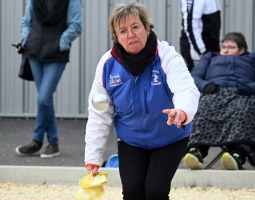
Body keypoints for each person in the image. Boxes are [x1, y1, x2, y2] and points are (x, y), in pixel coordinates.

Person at [84, 2, 200, 200]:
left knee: (155, 191)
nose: (130, 34)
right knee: (132, 192)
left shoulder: (166, 55)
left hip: (170, 137)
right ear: (116, 37)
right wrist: (93, 157)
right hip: (131, 140)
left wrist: (181, 111)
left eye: (135, 27)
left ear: (147, 28)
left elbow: (186, 88)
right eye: (123, 31)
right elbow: (99, 113)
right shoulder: (106, 66)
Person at [183, 32, 255, 170]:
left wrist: (249, 88)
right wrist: (206, 86)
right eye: (223, 46)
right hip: (214, 94)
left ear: (242, 50)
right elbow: (194, 77)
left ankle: (237, 155)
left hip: (243, 94)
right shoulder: (210, 57)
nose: (225, 50)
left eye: (231, 47)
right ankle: (196, 152)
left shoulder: (253, 58)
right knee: (202, 108)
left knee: (245, 109)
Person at [15, 0, 82, 158]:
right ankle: (53, 143)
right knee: (45, 100)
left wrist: (62, 42)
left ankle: (37, 140)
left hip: (56, 54)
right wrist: (27, 38)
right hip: (33, 53)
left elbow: (75, 26)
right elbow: (26, 21)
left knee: (43, 98)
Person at [179, 0, 221, 72]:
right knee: (197, 80)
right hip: (197, 49)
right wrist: (202, 51)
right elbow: (191, 25)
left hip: (210, 48)